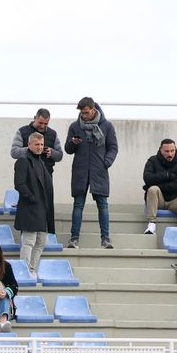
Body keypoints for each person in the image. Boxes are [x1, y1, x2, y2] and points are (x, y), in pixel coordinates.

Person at [66, 98, 118, 249]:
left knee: (103, 205)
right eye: (82, 113)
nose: (84, 115)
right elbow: (68, 149)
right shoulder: (75, 126)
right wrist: (73, 143)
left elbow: (113, 147)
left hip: (99, 170)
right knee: (78, 205)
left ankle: (106, 239)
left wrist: (106, 162)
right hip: (80, 171)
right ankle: (74, 239)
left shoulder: (107, 126)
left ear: (94, 109)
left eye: (86, 112)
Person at [13, 132, 56, 271]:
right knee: (29, 241)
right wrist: (32, 197)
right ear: (29, 144)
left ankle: (31, 269)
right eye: (37, 144)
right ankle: (23, 271)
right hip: (30, 209)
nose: (39, 147)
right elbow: (19, 184)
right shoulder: (23, 161)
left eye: (42, 144)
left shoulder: (41, 162)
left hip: (42, 210)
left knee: (42, 241)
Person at [142, 139, 177, 234]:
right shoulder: (152, 161)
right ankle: (151, 224)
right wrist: (167, 175)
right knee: (152, 189)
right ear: (160, 150)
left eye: (172, 150)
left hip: (175, 199)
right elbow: (147, 179)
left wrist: (158, 184)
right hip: (158, 198)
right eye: (167, 151)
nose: (170, 154)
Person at [10, 108, 63, 176]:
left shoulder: (53, 134)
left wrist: (52, 152)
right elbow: (14, 153)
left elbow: (60, 156)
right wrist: (30, 149)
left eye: (46, 123)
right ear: (35, 118)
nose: (42, 126)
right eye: (40, 123)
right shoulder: (22, 131)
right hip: (27, 174)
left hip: (46, 175)